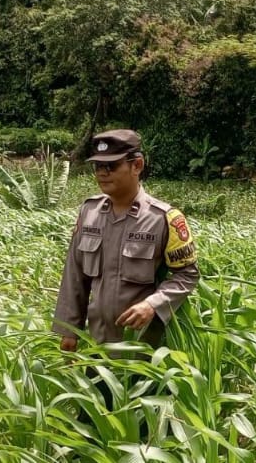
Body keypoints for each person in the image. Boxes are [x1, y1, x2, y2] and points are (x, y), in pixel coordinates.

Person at [53, 129, 200, 352]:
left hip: (143, 348)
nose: (102, 173)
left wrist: (152, 305)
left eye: (111, 166)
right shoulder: (89, 212)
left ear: (137, 165)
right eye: (98, 166)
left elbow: (187, 275)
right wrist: (69, 330)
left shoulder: (163, 218)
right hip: (95, 345)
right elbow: (74, 276)